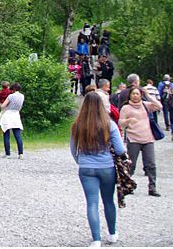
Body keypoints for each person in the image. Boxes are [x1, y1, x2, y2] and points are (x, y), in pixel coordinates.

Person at [71, 92, 126, 247]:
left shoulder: (77, 125)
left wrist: (81, 161)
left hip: (86, 168)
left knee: (92, 203)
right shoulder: (109, 124)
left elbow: (73, 150)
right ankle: (112, 234)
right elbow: (121, 150)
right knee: (108, 201)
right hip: (107, 167)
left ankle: (96, 239)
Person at [118, 86, 162, 196]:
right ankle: (128, 185)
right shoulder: (126, 108)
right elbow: (120, 123)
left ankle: (152, 187)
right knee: (131, 164)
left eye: (137, 94)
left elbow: (159, 106)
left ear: (141, 95)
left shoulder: (146, 105)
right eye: (133, 94)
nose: (135, 96)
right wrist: (128, 120)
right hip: (133, 139)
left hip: (148, 138)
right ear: (130, 95)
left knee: (151, 164)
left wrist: (148, 95)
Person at [0, 82, 24, 158]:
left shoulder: (10, 96)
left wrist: (0, 104)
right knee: (18, 135)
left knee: (6, 134)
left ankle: (8, 153)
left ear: (14, 89)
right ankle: (21, 153)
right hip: (16, 115)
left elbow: (3, 106)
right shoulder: (22, 96)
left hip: (8, 115)